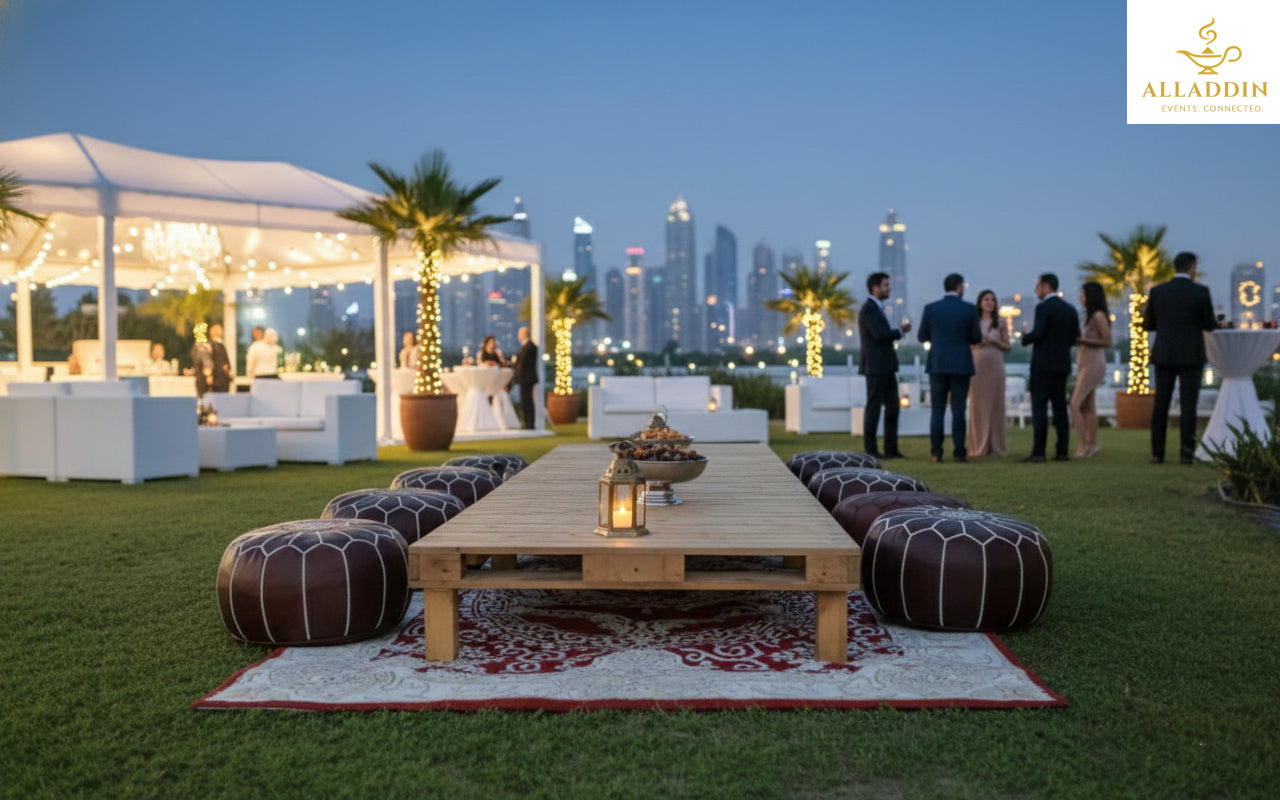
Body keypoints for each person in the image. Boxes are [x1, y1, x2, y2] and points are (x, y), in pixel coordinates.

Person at [1144, 251, 1217, 464]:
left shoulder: (1158, 291)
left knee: (1161, 405)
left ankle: (1158, 454)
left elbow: (1149, 324)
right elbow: (1209, 324)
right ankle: (1186, 454)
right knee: (1189, 406)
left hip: (1164, 354)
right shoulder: (1201, 292)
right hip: (1191, 355)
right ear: (1192, 268)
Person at [917, 273, 982, 462]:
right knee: (958, 409)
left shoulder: (931, 309)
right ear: (959, 287)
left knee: (937, 410)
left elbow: (922, 336)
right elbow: (976, 338)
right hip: (961, 365)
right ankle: (959, 452)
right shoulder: (969, 309)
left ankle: (936, 452)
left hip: (937, 364)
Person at [1020, 273, 1081, 462]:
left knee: (1039, 408)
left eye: (1038, 286)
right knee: (1060, 409)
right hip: (1062, 365)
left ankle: (1039, 451)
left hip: (1042, 366)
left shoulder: (1043, 308)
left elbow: (1039, 333)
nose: (1036, 290)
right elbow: (1074, 338)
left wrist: (1025, 337)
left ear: (1046, 286)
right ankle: (1062, 450)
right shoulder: (1070, 309)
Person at [857, 272, 910, 459]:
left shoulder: (877, 308)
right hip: (875, 366)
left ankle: (891, 449)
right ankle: (871, 450)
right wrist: (900, 332)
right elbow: (879, 335)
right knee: (874, 408)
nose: (889, 288)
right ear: (875, 288)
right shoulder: (870, 309)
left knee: (893, 407)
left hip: (885, 366)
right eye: (886, 285)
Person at [1070, 282, 1112, 458]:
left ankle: (1083, 444)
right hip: (1087, 362)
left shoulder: (1098, 316)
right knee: (1088, 405)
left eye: (1082, 294)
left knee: (1074, 405)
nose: (1080, 297)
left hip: (1093, 363)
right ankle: (1092, 444)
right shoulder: (1089, 316)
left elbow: (1107, 341)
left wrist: (1085, 341)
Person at [968, 289, 1010, 456]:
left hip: (995, 365)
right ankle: (979, 445)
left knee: (996, 405)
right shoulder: (973, 321)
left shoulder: (1000, 323)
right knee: (978, 405)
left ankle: (996, 445)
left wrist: (994, 340)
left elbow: (1008, 347)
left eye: (992, 300)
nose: (990, 302)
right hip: (977, 365)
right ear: (980, 302)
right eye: (986, 299)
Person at [512, 326, 539, 429]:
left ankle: (529, 423)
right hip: (525, 378)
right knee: (526, 401)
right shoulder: (527, 347)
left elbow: (523, 364)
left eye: (520, 334)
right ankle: (528, 422)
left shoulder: (529, 347)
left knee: (527, 401)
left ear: (524, 334)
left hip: (527, 378)